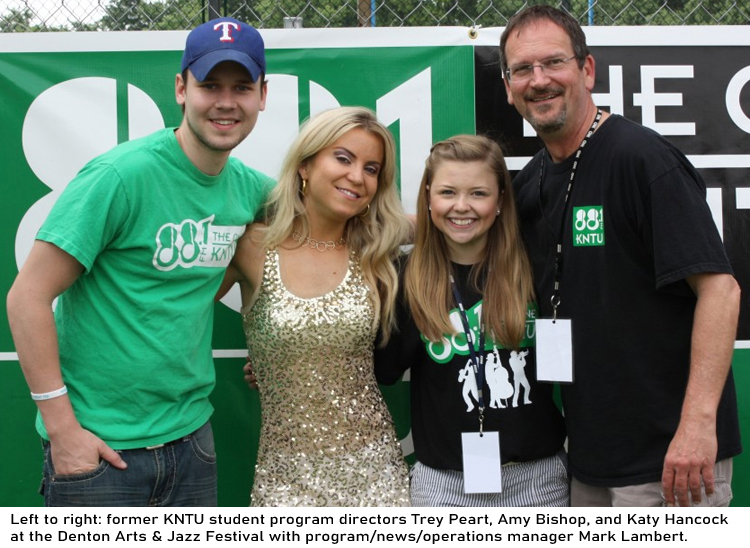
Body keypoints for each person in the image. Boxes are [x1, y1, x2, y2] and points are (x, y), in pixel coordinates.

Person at [6, 17, 273, 506]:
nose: (226, 102)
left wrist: (437, 221)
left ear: (263, 94)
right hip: (101, 452)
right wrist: (63, 430)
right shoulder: (120, 177)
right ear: (181, 88)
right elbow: (27, 297)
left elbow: (330, 227)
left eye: (242, 87)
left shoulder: (251, 190)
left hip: (192, 440)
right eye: (209, 85)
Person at [500, 5, 742, 507]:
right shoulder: (534, 180)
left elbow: (721, 290)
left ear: (587, 70)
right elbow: (460, 221)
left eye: (553, 63)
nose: (538, 80)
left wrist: (697, 426)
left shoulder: (642, 160)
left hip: (671, 462)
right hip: (589, 459)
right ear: (508, 87)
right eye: (522, 69)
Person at [219, 106, 411, 506]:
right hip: (285, 481)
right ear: (305, 165)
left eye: (372, 168)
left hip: (376, 479)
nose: (357, 177)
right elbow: (172, 311)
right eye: (343, 158)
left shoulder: (374, 249)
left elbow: (451, 217)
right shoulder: (253, 246)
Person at [375, 135, 568, 507]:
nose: (461, 206)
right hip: (444, 487)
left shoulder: (535, 268)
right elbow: (376, 370)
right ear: (428, 197)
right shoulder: (404, 279)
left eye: (478, 193)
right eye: (447, 192)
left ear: (500, 201)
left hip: (538, 481)